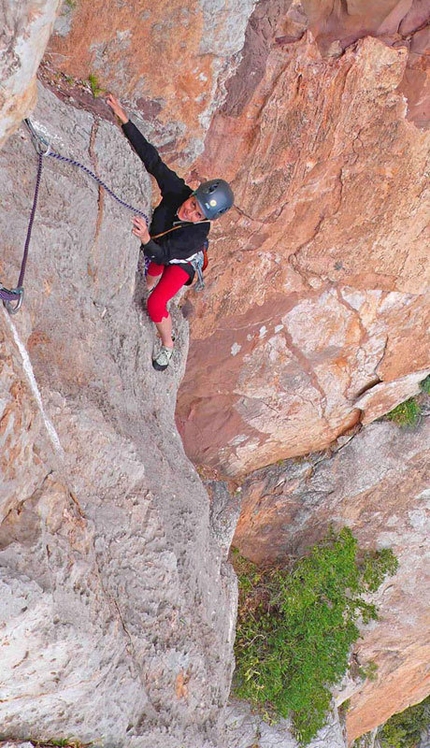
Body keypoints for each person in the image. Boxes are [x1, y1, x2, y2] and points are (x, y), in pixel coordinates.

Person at [106, 93, 234, 371]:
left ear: (206, 219)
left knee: (155, 303)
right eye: (192, 204)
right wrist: (123, 118)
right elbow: (154, 161)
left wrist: (144, 239)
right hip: (161, 247)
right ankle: (148, 283)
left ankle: (167, 345)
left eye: (199, 214)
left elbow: (164, 256)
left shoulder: (195, 236)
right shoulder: (177, 192)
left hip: (181, 261)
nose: (190, 212)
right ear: (192, 194)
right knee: (148, 274)